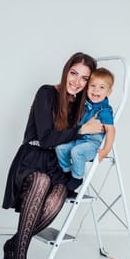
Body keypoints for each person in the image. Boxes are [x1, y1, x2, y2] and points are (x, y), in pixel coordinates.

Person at [2, 52, 104, 259]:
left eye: (84, 78)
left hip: (57, 165)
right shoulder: (46, 93)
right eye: (74, 73)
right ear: (66, 70)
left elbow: (87, 137)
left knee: (57, 197)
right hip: (33, 158)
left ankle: (13, 245)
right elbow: (47, 138)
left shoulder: (83, 105)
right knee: (42, 182)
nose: (77, 82)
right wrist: (81, 130)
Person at [55, 67, 115, 195]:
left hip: (91, 146)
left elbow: (111, 131)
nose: (96, 90)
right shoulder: (84, 104)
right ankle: (67, 172)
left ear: (109, 92)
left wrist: (105, 150)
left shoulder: (104, 110)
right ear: (87, 88)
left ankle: (77, 178)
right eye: (92, 86)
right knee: (60, 148)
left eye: (101, 87)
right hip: (78, 140)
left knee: (77, 152)